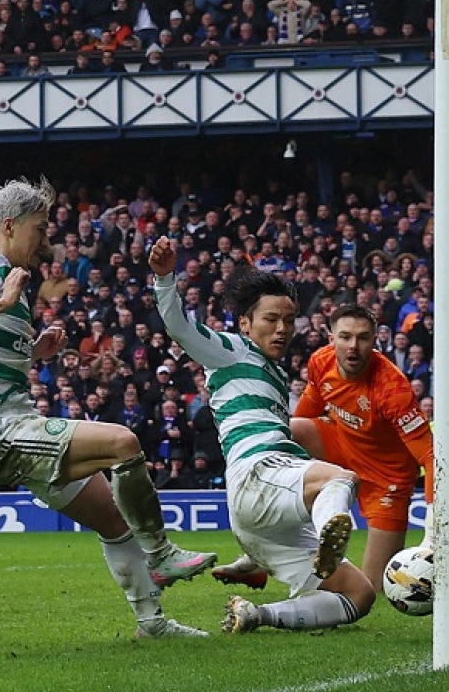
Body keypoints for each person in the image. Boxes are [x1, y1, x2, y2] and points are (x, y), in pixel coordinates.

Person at [0, 177, 214, 638]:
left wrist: (35, 352)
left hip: (19, 425)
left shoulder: (11, 278)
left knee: (113, 520)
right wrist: (1, 301)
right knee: (123, 442)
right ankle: (160, 553)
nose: (45, 240)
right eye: (39, 229)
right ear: (11, 225)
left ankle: (153, 626)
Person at [149, 236, 376, 633]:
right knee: (340, 479)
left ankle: (259, 614)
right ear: (245, 324)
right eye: (270, 319)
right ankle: (329, 532)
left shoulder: (275, 375)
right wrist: (165, 278)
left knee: (359, 596)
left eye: (289, 320)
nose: (282, 329)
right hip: (260, 473)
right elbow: (180, 328)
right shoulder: (233, 350)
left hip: (260, 518)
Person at [212, 303, 435, 592]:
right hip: (340, 448)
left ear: (376, 341)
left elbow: (431, 457)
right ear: (331, 338)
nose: (353, 346)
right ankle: (261, 554)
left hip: (387, 478)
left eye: (363, 338)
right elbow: (303, 416)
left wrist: (432, 534)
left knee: (373, 586)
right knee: (289, 429)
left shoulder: (393, 389)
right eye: (345, 337)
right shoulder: (321, 362)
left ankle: (271, 558)